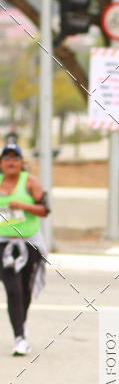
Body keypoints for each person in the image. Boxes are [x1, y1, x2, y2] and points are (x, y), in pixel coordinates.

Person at [0, 144, 50, 356]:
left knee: (25, 291)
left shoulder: (30, 182)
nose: (11, 162)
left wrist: (25, 206)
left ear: (21, 162)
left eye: (15, 158)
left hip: (30, 243)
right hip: (3, 243)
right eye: (6, 158)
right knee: (13, 289)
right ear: (1, 163)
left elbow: (45, 210)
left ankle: (21, 322)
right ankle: (20, 337)